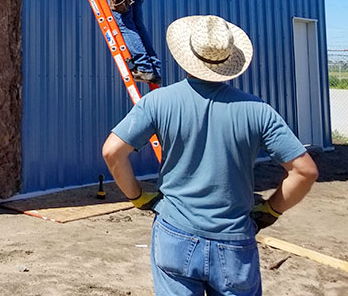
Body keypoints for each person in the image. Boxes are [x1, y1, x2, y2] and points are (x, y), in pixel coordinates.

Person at [102, 15, 318, 296]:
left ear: (186, 56)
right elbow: (305, 171)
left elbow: (112, 152)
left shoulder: (157, 102)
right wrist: (272, 209)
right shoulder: (258, 111)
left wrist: (138, 197)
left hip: (174, 233)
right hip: (234, 240)